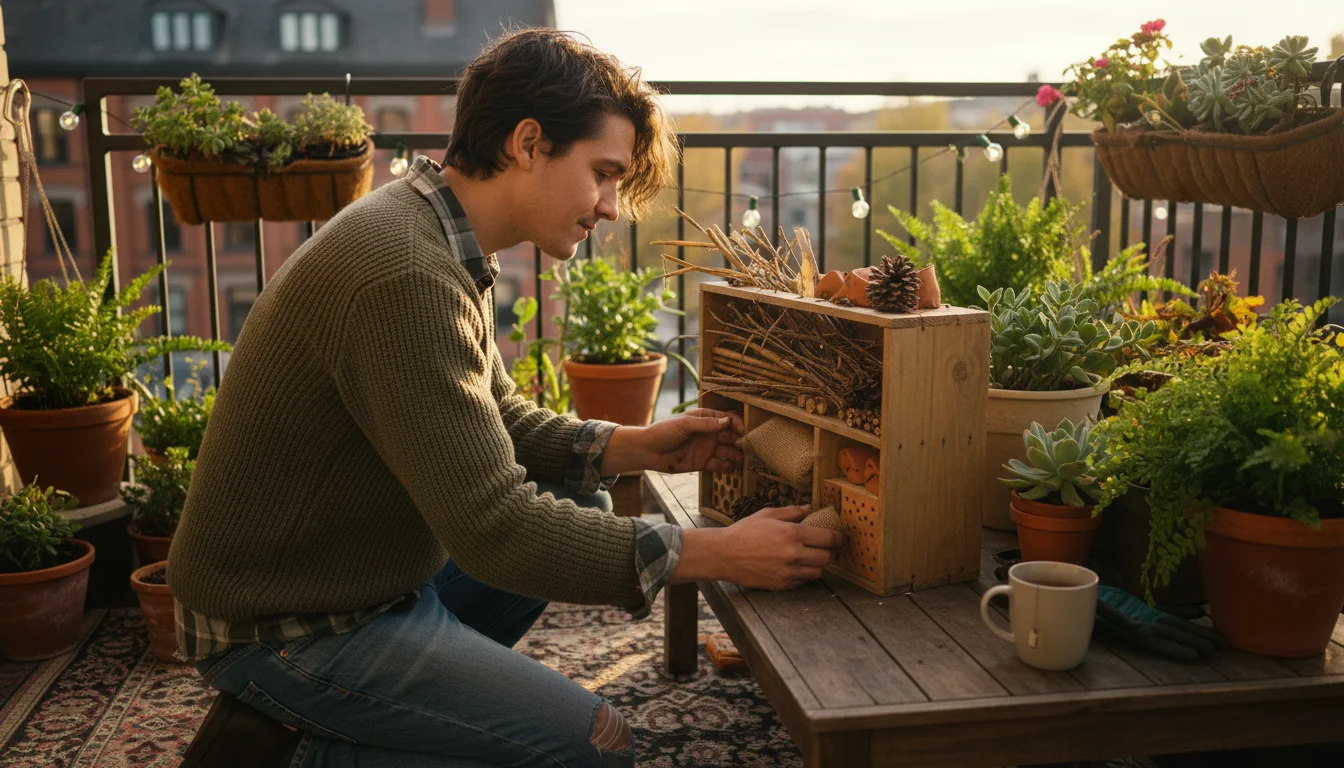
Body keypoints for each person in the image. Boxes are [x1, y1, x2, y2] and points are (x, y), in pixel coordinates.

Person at [169, 27, 843, 768]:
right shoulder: (406, 273)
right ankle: (297, 752)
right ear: (528, 142)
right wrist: (721, 554)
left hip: (363, 572)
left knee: (581, 501)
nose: (611, 207)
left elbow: (497, 418)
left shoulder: (437, 233)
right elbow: (495, 529)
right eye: (604, 173)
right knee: (598, 742)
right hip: (290, 624)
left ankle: (376, 716)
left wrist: (636, 445)